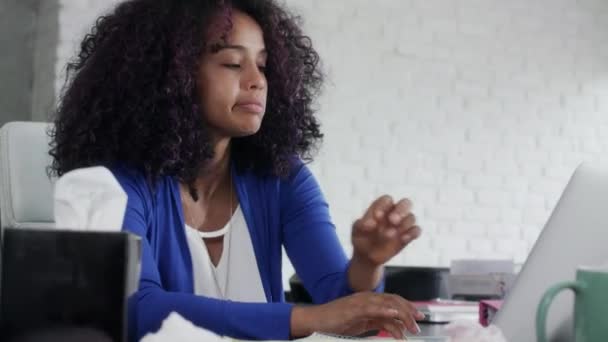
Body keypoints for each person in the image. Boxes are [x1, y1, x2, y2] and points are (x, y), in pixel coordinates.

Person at [49, 0, 423, 340]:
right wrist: (308, 319)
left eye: (262, 65)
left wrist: (367, 262)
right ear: (170, 74)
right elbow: (136, 308)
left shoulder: (282, 178)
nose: (257, 80)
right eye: (232, 63)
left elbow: (346, 309)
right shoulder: (117, 184)